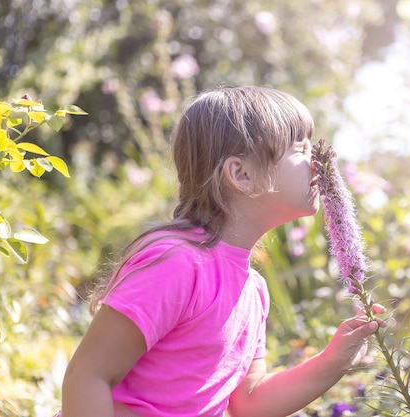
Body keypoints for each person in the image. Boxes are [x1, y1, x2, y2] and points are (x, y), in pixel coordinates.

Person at [58, 86, 385, 417]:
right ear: (241, 174)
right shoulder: (177, 263)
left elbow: (249, 403)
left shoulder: (253, 289)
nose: (318, 164)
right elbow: (88, 376)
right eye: (300, 150)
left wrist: (332, 363)